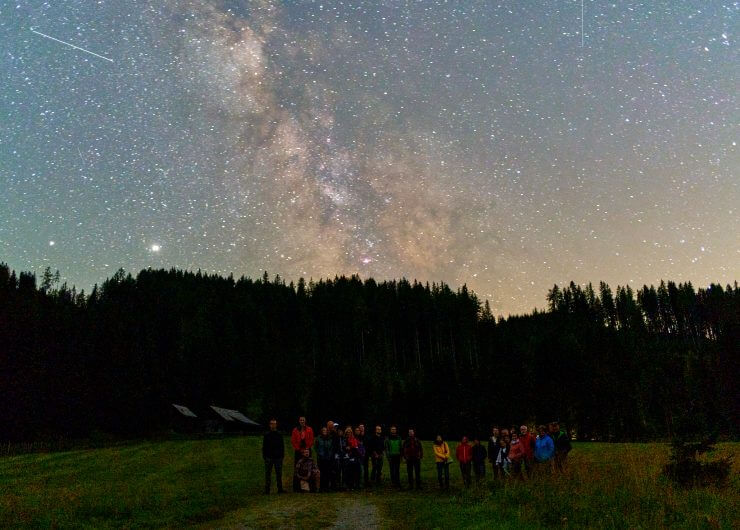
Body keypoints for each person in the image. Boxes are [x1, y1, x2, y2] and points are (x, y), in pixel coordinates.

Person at [291, 416, 315, 491]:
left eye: (303, 420)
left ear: (305, 421)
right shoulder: (295, 430)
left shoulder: (309, 429)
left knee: (309, 467)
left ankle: (309, 486)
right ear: (299, 421)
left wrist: (307, 448)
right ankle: (297, 487)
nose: (302, 421)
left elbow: (312, 439)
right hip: (298, 451)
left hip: (307, 450)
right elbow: (293, 441)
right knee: (297, 468)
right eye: (301, 420)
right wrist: (299, 449)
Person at [262, 418, 285, 494]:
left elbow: (282, 446)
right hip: (269, 457)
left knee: (279, 474)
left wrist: (281, 456)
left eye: (274, 423)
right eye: (272, 423)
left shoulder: (279, 434)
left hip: (278, 457)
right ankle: (267, 490)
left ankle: (280, 489)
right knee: (268, 474)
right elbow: (264, 446)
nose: (273, 425)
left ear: (276, 425)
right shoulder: (266, 435)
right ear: (269, 425)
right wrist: (265, 456)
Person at [315, 426, 333, 492]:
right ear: (321, 431)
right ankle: (321, 487)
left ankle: (327, 487)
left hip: (328, 458)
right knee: (321, 472)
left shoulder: (330, 438)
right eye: (323, 430)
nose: (325, 431)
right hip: (321, 457)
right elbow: (316, 447)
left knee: (327, 472)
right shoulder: (318, 438)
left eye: (326, 430)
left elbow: (331, 447)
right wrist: (319, 453)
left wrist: (330, 454)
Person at [343, 426, 361, 490]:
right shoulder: (344, 439)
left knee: (353, 471)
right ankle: (347, 485)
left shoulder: (354, 439)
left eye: (350, 432)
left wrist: (351, 448)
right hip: (346, 456)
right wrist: (349, 448)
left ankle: (352, 485)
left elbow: (356, 448)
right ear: (346, 433)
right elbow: (345, 448)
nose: (349, 433)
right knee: (347, 471)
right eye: (347, 432)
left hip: (353, 456)